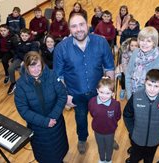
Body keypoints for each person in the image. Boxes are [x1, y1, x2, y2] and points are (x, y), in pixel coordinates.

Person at [54, 13, 115, 154]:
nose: (79, 29)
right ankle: (82, 138)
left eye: (81, 24)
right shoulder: (61, 48)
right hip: (76, 94)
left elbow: (109, 68)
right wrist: (65, 96)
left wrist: (110, 91)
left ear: (87, 25)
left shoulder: (101, 42)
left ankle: (108, 137)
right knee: (80, 119)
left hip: (99, 92)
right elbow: (58, 76)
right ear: (69, 29)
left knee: (105, 117)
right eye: (74, 26)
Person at [14, 51, 68, 163]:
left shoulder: (52, 75)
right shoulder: (21, 84)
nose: (36, 69)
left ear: (42, 64)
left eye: (38, 65)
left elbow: (62, 96)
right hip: (38, 128)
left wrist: (53, 117)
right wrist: (45, 122)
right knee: (45, 156)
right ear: (26, 66)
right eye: (32, 66)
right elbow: (23, 110)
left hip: (56, 122)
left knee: (59, 152)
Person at [124, 69, 159, 163]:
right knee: (134, 158)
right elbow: (127, 115)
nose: (152, 89)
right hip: (137, 139)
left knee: (149, 160)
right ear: (144, 82)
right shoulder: (136, 96)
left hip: (154, 141)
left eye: (156, 86)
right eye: (149, 85)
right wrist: (132, 131)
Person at [125, 26, 159, 100]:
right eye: (142, 40)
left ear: (154, 43)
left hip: (149, 100)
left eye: (148, 41)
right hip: (132, 95)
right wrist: (129, 95)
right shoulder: (135, 52)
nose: (144, 44)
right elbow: (128, 74)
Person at [89, 77, 121, 163]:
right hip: (97, 131)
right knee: (100, 146)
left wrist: (111, 123)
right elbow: (92, 113)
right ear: (97, 90)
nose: (104, 95)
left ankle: (109, 160)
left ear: (113, 93)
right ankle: (102, 159)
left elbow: (118, 116)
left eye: (108, 93)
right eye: (101, 92)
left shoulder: (116, 104)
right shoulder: (92, 101)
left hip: (110, 131)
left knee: (109, 146)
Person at [7, 28, 39, 95]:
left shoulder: (33, 43)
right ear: (20, 36)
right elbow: (16, 53)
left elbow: (32, 54)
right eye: (22, 35)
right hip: (19, 59)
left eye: (26, 35)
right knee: (10, 69)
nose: (24, 37)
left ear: (29, 36)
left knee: (21, 70)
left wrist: (25, 61)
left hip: (30, 60)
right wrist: (14, 60)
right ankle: (13, 83)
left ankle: (27, 84)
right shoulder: (18, 43)